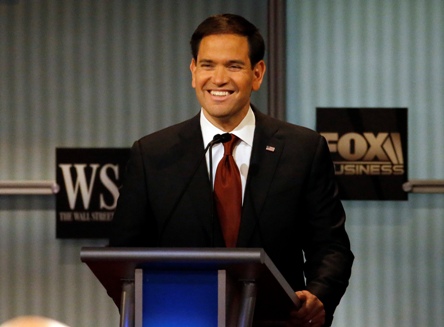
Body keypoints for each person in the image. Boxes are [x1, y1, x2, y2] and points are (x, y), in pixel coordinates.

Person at [109, 13, 353, 327]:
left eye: (234, 66)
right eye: (208, 65)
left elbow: (331, 246)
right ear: (193, 71)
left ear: (257, 73)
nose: (219, 79)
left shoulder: (303, 149)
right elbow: (122, 256)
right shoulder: (152, 153)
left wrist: (319, 295)